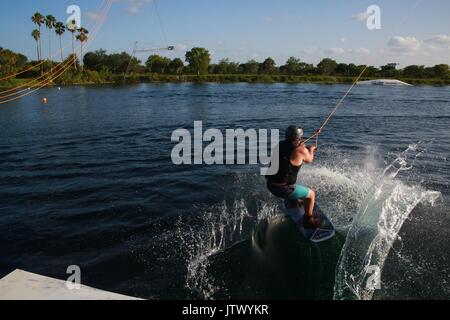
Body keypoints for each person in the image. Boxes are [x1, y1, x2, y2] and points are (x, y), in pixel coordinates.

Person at [266, 125, 318, 225]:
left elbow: (290, 150)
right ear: (299, 137)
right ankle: (308, 220)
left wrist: (301, 145)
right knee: (311, 194)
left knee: (290, 180)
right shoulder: (301, 150)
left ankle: (295, 201)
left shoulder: (279, 144)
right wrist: (311, 149)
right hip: (283, 190)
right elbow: (309, 159)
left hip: (270, 185)